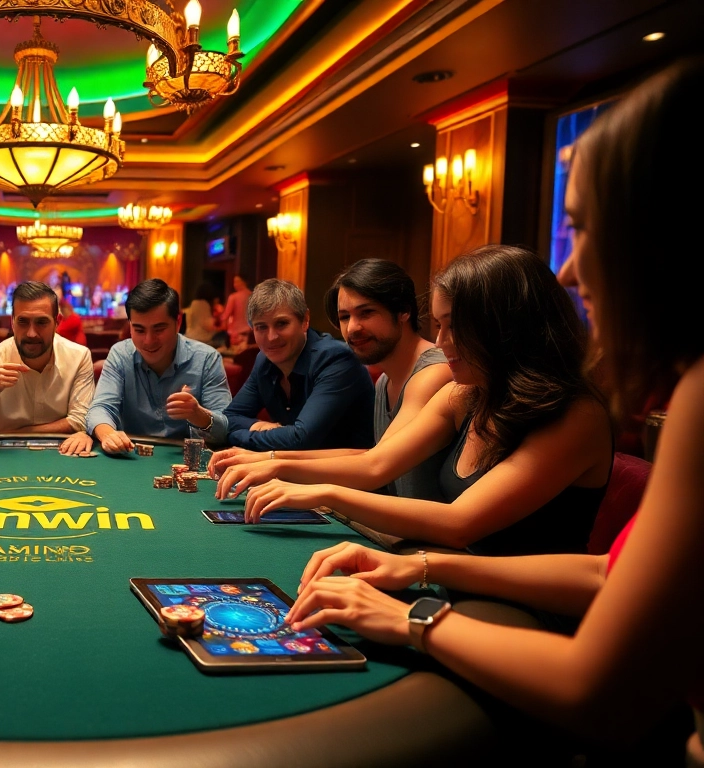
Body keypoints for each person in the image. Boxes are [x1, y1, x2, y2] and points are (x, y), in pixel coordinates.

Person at [284, 59, 703, 756]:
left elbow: (596, 692)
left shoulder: (661, 404)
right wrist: (422, 569)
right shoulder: (467, 392)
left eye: (587, 228)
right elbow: (610, 571)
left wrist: (410, 617)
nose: (570, 269)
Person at [228, 246, 613, 556]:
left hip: (524, 604)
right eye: (440, 326)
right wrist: (273, 463)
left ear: (507, 326)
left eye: (455, 326)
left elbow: (460, 523)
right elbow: (375, 463)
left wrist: (320, 490)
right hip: (443, 566)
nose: (442, 343)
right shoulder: (464, 394)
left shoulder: (577, 414)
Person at [211, 259, 452, 502]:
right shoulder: (385, 382)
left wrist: (278, 465)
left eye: (366, 312)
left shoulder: (432, 372)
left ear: (403, 311)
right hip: (394, 523)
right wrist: (268, 458)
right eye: (345, 317)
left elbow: (374, 467)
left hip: (422, 534)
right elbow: (366, 454)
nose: (353, 328)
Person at [222, 278, 375, 452]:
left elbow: (301, 439)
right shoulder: (264, 361)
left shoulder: (336, 359)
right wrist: (259, 426)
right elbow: (229, 418)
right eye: (261, 327)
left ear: (305, 320)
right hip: (293, 471)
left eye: (282, 324)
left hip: (346, 474)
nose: (271, 337)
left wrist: (238, 435)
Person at [87, 278, 232, 452]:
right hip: (132, 457)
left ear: (178, 323)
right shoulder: (120, 354)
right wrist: (108, 434)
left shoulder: (207, 359)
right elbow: (101, 408)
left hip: (188, 463)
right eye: (139, 330)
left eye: (159, 329)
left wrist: (198, 414)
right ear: (130, 326)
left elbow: (226, 429)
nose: (148, 341)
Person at [0, 280, 95, 455]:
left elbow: (80, 420)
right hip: (4, 460)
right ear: (12, 322)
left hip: (62, 455)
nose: (31, 333)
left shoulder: (79, 357)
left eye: (41, 322)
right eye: (23, 322)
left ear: (57, 321)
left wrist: (9, 435)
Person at [217, 275, 252, 348]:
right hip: (250, 333)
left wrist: (219, 316)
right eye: (234, 282)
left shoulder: (233, 297)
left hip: (236, 334)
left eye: (237, 282)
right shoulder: (253, 295)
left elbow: (226, 315)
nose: (235, 284)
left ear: (244, 282)